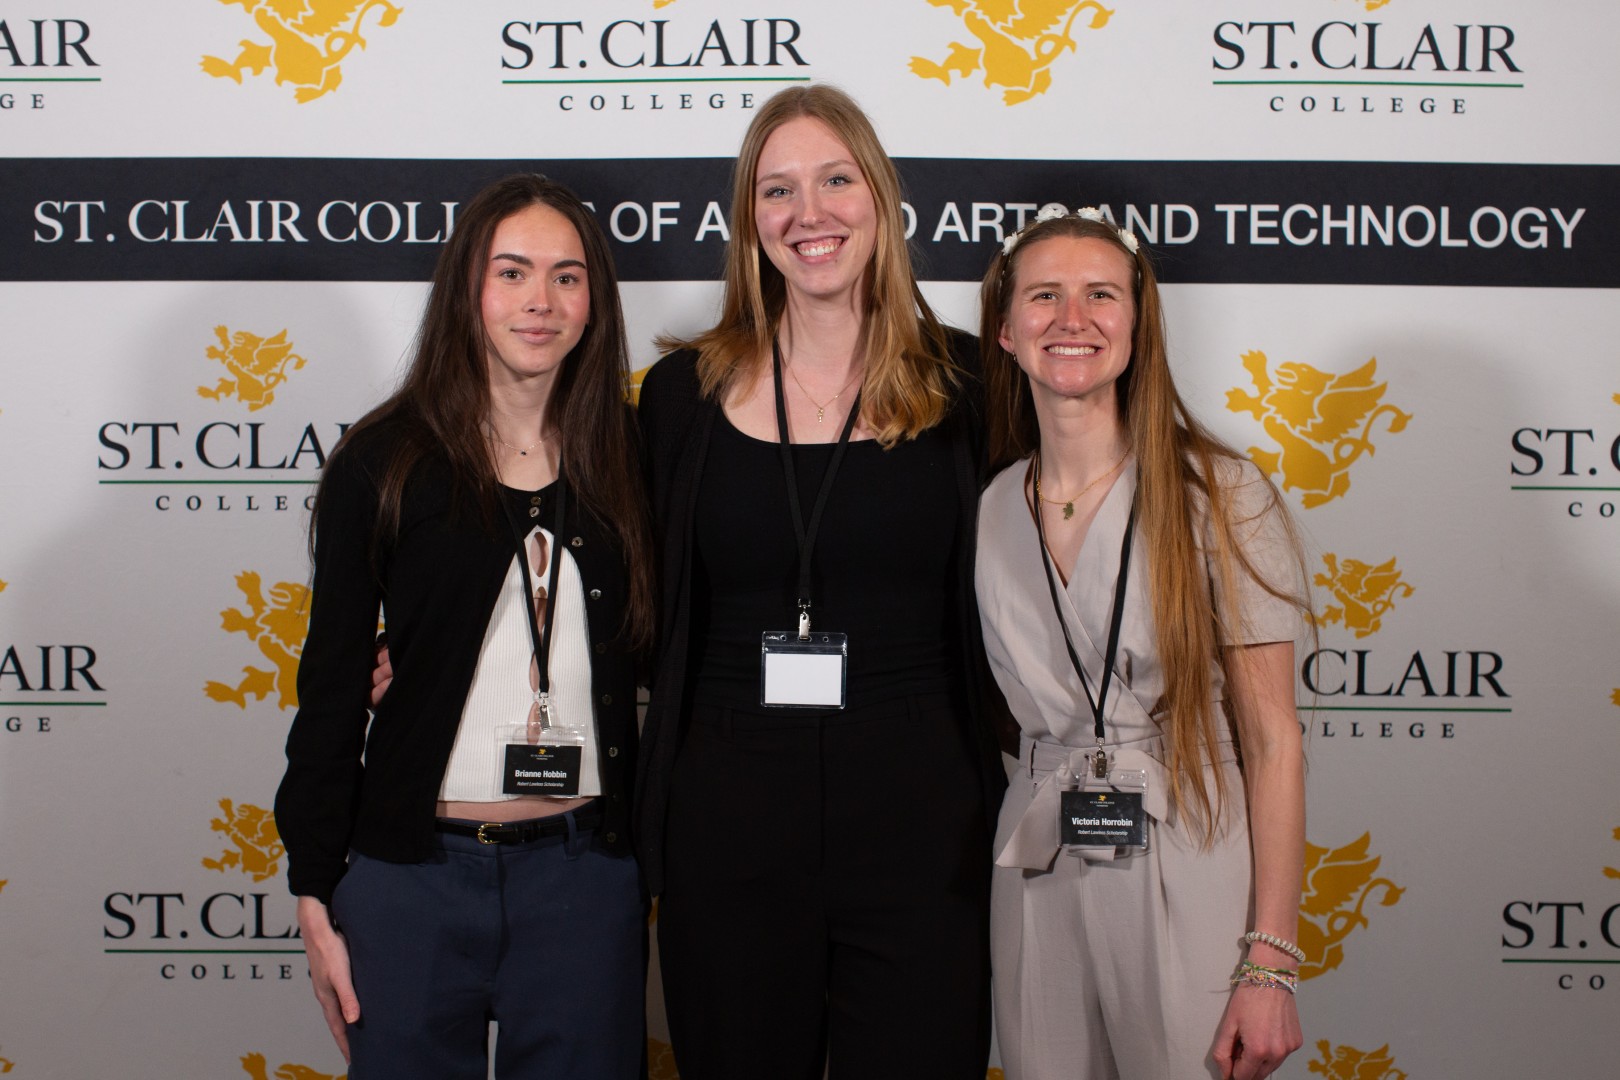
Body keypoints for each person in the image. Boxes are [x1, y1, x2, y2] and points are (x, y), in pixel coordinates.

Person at [635, 85, 1006, 1079]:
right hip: (727, 815)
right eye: (779, 190)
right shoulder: (679, 396)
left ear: (880, 197)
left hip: (923, 817)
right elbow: (618, 590)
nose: (810, 213)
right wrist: (445, 648)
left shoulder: (972, 386)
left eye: (836, 180)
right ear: (749, 219)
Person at [273, 174, 653, 1079]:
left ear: (594, 300)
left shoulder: (636, 456)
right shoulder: (384, 459)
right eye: (511, 272)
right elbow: (329, 687)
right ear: (466, 290)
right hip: (411, 879)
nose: (540, 300)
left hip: (584, 880)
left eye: (567, 276)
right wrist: (315, 891)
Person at [973, 209, 1310, 1080]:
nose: (1071, 318)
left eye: (1100, 295)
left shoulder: (1220, 493)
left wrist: (1271, 960)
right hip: (1037, 853)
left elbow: (1274, 740)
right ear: (1006, 330)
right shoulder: (994, 504)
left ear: (1137, 323)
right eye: (1044, 296)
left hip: (1187, 846)